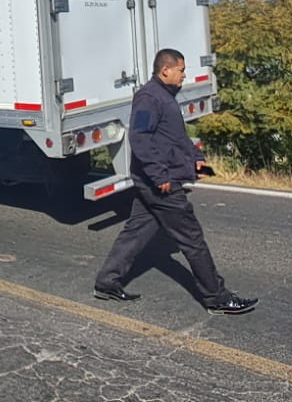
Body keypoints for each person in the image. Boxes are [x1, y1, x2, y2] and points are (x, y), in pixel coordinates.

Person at [93, 48, 257, 315]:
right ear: (165, 70)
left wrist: (196, 159)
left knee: (137, 231)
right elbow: (140, 139)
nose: (184, 75)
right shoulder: (148, 98)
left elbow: (174, 137)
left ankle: (106, 282)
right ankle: (216, 296)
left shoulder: (164, 96)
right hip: (159, 183)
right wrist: (160, 177)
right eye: (181, 70)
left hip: (156, 180)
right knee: (192, 238)